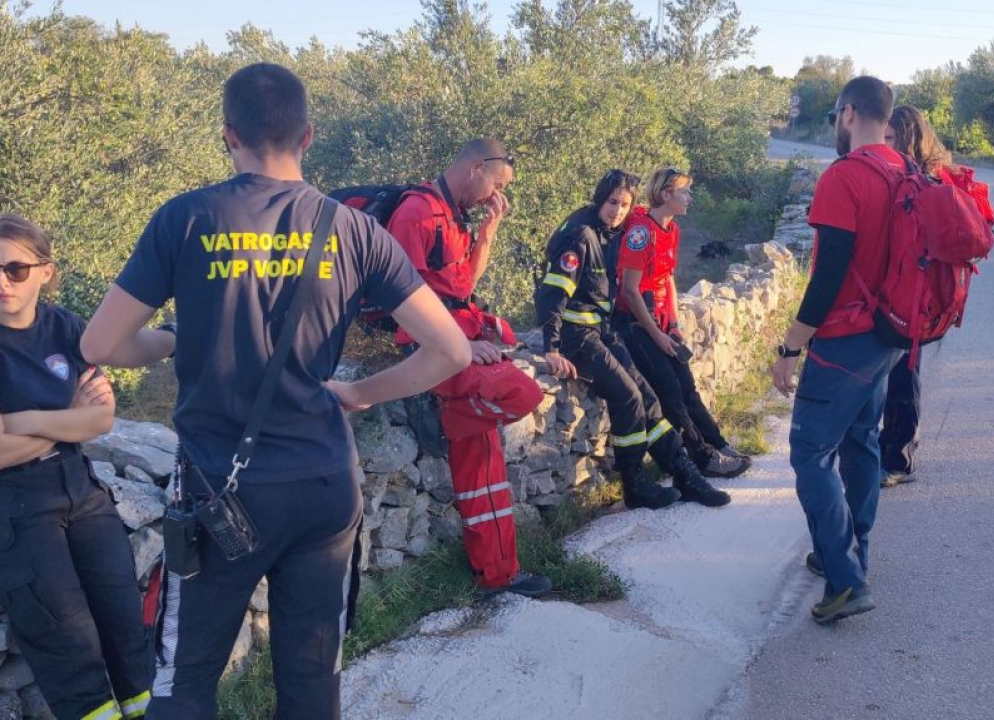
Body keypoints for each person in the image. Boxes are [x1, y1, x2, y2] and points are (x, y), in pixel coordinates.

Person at [81, 63, 471, 719]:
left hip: (218, 491)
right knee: (312, 680)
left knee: (184, 683)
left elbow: (101, 346)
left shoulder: (185, 218)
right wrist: (362, 393)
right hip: (322, 484)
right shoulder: (354, 230)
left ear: (227, 135)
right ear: (308, 134)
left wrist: (170, 339)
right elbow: (451, 350)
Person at [0, 214, 159, 720]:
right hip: (4, 503)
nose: (0, 282)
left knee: (123, 617)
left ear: (46, 271)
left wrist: (26, 419)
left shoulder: (66, 327)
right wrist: (69, 418)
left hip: (78, 487)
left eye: (15, 268)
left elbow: (101, 419)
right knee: (66, 637)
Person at [384, 139, 553, 597]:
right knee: (524, 394)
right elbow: (403, 300)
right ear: (478, 168)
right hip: (434, 349)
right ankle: (445, 417)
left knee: (484, 470)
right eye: (496, 185)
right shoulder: (416, 213)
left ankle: (498, 574)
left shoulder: (453, 216)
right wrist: (457, 345)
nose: (495, 196)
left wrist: (489, 229)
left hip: (458, 340)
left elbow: (464, 286)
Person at [768, 76, 904, 624]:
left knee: (809, 453)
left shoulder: (844, 177)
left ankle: (846, 580)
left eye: (835, 118)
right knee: (861, 444)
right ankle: (847, 555)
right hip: (889, 336)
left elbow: (827, 273)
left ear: (848, 113)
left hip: (845, 338)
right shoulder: (905, 173)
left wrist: (790, 347)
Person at [535, 169, 716, 510]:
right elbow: (551, 295)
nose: (617, 210)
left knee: (648, 399)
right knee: (630, 398)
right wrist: (551, 348)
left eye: (624, 204)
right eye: (612, 202)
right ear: (599, 200)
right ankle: (634, 486)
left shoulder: (611, 232)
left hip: (600, 330)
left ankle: (684, 473)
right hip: (576, 335)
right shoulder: (581, 235)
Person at [876, 105, 994, 488]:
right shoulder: (931, 175)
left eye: (891, 138)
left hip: (915, 298)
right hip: (911, 295)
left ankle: (899, 460)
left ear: (909, 138)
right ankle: (891, 451)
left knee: (901, 375)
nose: (884, 145)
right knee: (897, 373)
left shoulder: (925, 180)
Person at [614, 168, 749, 488]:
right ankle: (702, 458)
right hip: (636, 323)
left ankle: (717, 443)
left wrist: (673, 323)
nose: (690, 198)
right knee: (671, 392)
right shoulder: (640, 233)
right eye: (684, 192)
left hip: (660, 321)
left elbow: (667, 280)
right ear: (665, 195)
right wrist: (657, 335)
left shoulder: (670, 229)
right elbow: (630, 291)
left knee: (687, 386)